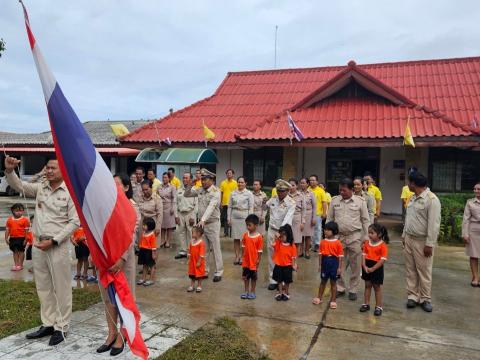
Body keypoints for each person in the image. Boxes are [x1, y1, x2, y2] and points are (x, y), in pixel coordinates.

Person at [5, 156, 79, 346]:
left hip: (57, 246)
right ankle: (48, 323)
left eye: (53, 168)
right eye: (47, 168)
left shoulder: (70, 192)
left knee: (61, 288)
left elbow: (74, 222)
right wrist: (9, 171)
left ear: (63, 170)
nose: (49, 171)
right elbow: (19, 185)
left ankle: (61, 327)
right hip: (38, 245)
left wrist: (54, 241)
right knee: (44, 287)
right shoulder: (41, 188)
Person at [96, 173, 138, 356]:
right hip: (105, 262)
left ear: (127, 187)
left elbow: (131, 236)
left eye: (116, 185)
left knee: (123, 299)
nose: (111, 188)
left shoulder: (132, 208)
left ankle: (122, 335)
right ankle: (111, 332)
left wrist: (121, 258)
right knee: (108, 299)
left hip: (123, 263)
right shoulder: (104, 208)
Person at [402, 171, 441, 312]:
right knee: (410, 269)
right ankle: (412, 296)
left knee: (424, 270)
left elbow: (434, 224)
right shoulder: (412, 198)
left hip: (422, 241)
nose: (408, 185)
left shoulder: (432, 199)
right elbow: (408, 219)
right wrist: (403, 236)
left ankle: (425, 298)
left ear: (414, 184)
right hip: (409, 238)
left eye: (409, 182)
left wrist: (429, 244)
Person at [327, 178, 370, 301]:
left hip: (355, 237)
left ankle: (353, 289)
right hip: (338, 237)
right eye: (340, 189)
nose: (341, 192)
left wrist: (366, 237)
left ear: (352, 189)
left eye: (344, 190)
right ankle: (340, 287)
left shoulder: (360, 202)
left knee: (355, 265)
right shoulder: (335, 201)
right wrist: (329, 236)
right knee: (337, 264)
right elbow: (330, 219)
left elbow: (366, 220)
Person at [184, 169, 224, 282]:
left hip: (213, 223)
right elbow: (187, 194)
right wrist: (190, 184)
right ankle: (205, 270)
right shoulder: (200, 189)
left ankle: (219, 272)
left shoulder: (216, 192)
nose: (203, 182)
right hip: (202, 224)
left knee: (215, 248)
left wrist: (203, 220)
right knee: (204, 249)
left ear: (211, 180)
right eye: (202, 179)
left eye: (205, 179)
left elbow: (211, 207)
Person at [266, 179, 296, 290]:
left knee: (283, 257)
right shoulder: (273, 199)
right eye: (278, 190)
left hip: (283, 233)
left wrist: (281, 233)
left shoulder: (291, 203)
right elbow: (265, 206)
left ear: (288, 191)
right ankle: (273, 280)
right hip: (272, 230)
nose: (279, 193)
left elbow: (288, 219)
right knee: (271, 255)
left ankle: (282, 280)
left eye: (282, 191)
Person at [312, 221, 343, 309]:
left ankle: (333, 300)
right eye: (325, 229)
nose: (326, 231)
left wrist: (339, 268)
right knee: (323, 281)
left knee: (333, 283)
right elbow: (320, 254)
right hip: (325, 262)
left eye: (328, 230)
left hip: (334, 262)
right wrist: (320, 265)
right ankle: (319, 297)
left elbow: (340, 257)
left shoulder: (338, 243)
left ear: (334, 231)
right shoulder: (323, 242)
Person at [360, 223, 389, 316]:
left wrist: (373, 268)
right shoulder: (367, 243)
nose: (369, 235)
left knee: (377, 287)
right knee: (367, 285)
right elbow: (364, 255)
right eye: (369, 233)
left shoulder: (383, 245)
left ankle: (378, 306)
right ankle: (366, 304)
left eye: (372, 233)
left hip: (377, 267)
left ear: (379, 234)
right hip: (367, 265)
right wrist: (364, 265)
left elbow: (382, 260)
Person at [228, 176, 254, 265]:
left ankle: (243, 257)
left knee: (244, 239)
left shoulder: (249, 194)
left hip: (245, 218)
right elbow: (230, 207)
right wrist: (229, 218)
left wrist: (250, 220)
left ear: (245, 183)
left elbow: (251, 207)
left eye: (242, 182)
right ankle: (237, 256)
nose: (240, 184)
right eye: (239, 182)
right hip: (234, 217)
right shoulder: (233, 193)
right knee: (236, 238)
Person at [175, 172, 198, 259]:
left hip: (190, 213)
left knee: (191, 233)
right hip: (181, 213)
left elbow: (197, 204)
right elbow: (175, 203)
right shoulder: (179, 189)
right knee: (181, 232)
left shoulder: (194, 190)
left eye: (186, 178)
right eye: (183, 178)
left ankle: (191, 250)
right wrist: (176, 216)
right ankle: (183, 251)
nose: (184, 179)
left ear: (191, 179)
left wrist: (193, 216)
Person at [272, 224, 297, 301]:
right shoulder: (279, 242)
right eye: (281, 235)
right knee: (279, 280)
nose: (281, 237)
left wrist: (294, 265)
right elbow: (273, 245)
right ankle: (280, 293)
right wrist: (276, 237)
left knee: (287, 281)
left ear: (288, 235)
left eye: (283, 235)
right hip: (279, 265)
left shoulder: (292, 245)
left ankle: (286, 293)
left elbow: (293, 257)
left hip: (287, 266)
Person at [240, 214, 263, 300]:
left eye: (249, 225)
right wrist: (242, 257)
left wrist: (258, 260)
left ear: (256, 225)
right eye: (247, 225)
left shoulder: (259, 237)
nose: (247, 227)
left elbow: (260, 251)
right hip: (246, 261)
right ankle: (246, 291)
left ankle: (253, 291)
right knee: (245, 277)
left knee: (253, 278)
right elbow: (243, 246)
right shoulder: (245, 235)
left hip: (253, 261)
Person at [462, 181, 480, 287]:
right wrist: (465, 234)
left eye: (478, 189)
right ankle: (475, 278)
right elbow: (466, 219)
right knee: (473, 256)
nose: (476, 191)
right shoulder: (470, 202)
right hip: (474, 231)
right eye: (475, 189)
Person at [138, 179, 163, 251]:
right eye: (143, 190)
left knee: (154, 247)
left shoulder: (157, 198)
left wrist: (158, 227)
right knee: (143, 246)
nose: (145, 192)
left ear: (151, 188)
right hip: (143, 224)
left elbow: (160, 214)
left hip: (153, 224)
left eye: (147, 189)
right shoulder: (140, 198)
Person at [5, 203, 30, 271]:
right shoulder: (9, 220)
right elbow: (7, 230)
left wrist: (26, 239)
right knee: (15, 251)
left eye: (21, 211)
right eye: (17, 211)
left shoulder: (25, 220)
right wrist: (6, 238)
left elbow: (26, 231)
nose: (19, 212)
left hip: (21, 238)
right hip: (13, 238)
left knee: (21, 251)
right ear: (13, 211)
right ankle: (16, 264)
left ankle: (21, 265)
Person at [308, 175, 328, 252]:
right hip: (309, 213)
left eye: (313, 180)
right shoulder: (308, 190)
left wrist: (324, 212)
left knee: (318, 229)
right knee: (309, 230)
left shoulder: (321, 191)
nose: (311, 182)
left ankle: (317, 244)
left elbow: (324, 203)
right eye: (310, 180)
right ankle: (310, 244)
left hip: (317, 213)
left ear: (317, 181)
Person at [158, 172, 177, 248]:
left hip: (169, 207)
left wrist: (173, 207)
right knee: (162, 225)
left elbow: (174, 198)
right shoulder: (159, 187)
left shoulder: (172, 187)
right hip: (161, 207)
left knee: (169, 226)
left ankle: (168, 241)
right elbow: (157, 196)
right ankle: (162, 240)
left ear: (169, 178)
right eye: (163, 177)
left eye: (166, 177)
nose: (164, 179)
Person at [299, 178, 316, 259]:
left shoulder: (311, 193)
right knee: (301, 235)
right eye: (301, 183)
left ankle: (307, 251)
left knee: (308, 235)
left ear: (307, 184)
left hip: (309, 215)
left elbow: (315, 207)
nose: (302, 184)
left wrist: (314, 218)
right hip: (300, 215)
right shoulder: (298, 193)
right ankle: (300, 251)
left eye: (303, 183)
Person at [137, 217, 157, 286]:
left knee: (152, 266)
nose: (143, 226)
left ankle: (151, 279)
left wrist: (154, 254)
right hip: (143, 250)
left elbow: (154, 246)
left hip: (149, 251)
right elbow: (142, 241)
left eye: (145, 225)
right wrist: (140, 246)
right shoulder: (144, 233)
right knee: (144, 265)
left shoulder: (152, 235)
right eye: (143, 225)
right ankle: (143, 278)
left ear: (149, 226)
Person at [289, 178, 306, 256]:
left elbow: (304, 210)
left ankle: (295, 259)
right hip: (288, 219)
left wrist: (303, 222)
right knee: (288, 240)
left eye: (293, 185)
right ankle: (288, 258)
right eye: (290, 185)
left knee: (297, 240)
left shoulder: (301, 196)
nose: (291, 187)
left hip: (297, 219)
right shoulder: (286, 195)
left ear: (296, 186)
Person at [187, 226, 206, 293]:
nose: (192, 234)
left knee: (199, 274)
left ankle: (199, 285)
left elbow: (201, 254)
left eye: (193, 232)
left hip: (198, 261)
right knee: (192, 274)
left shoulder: (201, 243)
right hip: (192, 261)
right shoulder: (192, 241)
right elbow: (190, 250)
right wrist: (189, 258)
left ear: (198, 233)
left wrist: (199, 261)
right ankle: (192, 285)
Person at [220, 169, 238, 237]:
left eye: (230, 173)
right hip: (224, 203)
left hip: (232, 203)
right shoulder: (223, 183)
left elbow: (237, 193)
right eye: (227, 173)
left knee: (232, 217)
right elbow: (221, 193)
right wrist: (220, 202)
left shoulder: (235, 183)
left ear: (233, 174)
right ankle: (226, 232)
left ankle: (232, 232)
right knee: (225, 218)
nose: (229, 174)